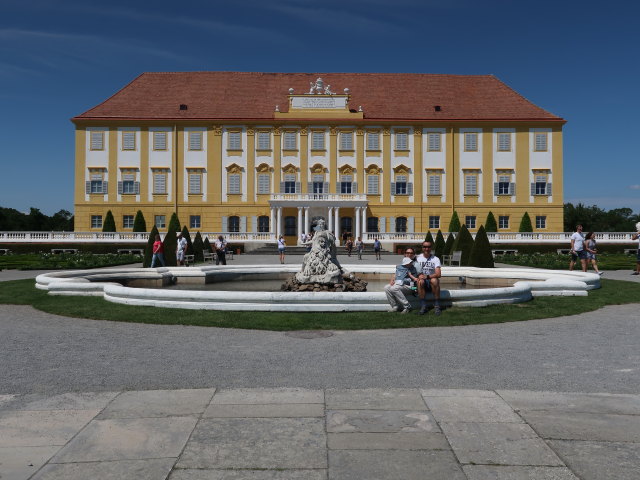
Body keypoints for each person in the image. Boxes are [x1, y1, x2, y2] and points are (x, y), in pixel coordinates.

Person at [416, 240, 442, 315]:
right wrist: (419, 276)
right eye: (425, 247)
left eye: (428, 247)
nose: (426, 249)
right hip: (421, 281)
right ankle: (423, 306)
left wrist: (427, 276)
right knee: (420, 281)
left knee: (434, 280)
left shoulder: (435, 259)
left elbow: (438, 274)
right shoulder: (417, 258)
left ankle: (437, 305)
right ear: (422, 248)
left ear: (431, 248)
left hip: (431, 281)